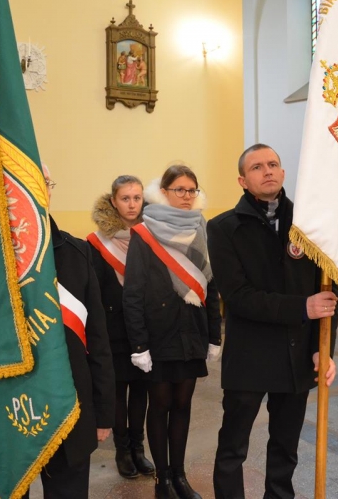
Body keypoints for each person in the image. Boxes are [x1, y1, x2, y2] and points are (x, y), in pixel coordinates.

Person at [0, 167, 115, 499]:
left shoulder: (77, 253)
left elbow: (97, 340)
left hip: (68, 409)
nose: (36, 191)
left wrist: (104, 410)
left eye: (43, 183)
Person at [208, 143, 338, 499]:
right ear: (242, 180)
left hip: (297, 355)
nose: (267, 171)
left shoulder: (309, 225)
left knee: (285, 447)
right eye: (256, 167)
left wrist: (321, 348)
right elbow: (237, 296)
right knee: (233, 446)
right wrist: (302, 307)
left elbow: (327, 295)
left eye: (273, 164)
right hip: (250, 356)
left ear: (282, 173)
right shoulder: (224, 228)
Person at [123, 164, 222, 499]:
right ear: (163, 192)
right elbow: (133, 294)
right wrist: (139, 345)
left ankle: (179, 476)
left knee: (183, 404)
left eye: (192, 190)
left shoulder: (200, 228)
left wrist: (214, 335)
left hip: (191, 332)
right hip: (159, 335)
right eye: (179, 189)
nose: (186, 196)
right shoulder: (145, 232)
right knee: (160, 404)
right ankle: (162, 480)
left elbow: (210, 285)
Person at [88, 175, 155, 479]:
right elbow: (94, 290)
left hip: (143, 326)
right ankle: (122, 450)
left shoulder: (151, 235)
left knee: (141, 389)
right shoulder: (96, 242)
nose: (132, 204)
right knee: (117, 391)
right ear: (113, 201)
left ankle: (139, 448)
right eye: (125, 198)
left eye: (137, 198)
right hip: (113, 328)